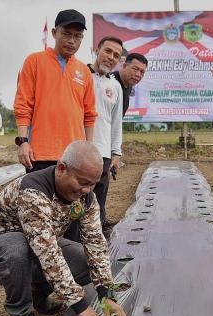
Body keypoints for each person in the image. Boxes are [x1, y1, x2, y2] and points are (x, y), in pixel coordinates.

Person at [0, 141, 127, 316]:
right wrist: (80, 306)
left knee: (83, 261)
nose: (87, 190)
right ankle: (20, 315)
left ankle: (38, 295)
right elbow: (47, 253)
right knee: (18, 247)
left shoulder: (86, 198)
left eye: (93, 184)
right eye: (82, 182)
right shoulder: (33, 191)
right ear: (62, 168)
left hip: (35, 246)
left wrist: (107, 295)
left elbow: (96, 244)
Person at [14, 9, 96, 172]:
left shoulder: (84, 70)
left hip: (74, 156)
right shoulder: (34, 61)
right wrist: (23, 142)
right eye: (66, 34)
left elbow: (89, 114)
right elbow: (23, 105)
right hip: (40, 154)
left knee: (73, 198)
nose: (72, 41)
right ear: (54, 32)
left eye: (77, 36)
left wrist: (88, 148)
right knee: (38, 197)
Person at [88, 36, 124, 233]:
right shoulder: (81, 75)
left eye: (116, 55)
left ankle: (99, 229)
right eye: (107, 51)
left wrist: (115, 153)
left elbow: (116, 122)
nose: (111, 57)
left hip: (102, 152)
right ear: (97, 50)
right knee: (78, 195)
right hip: (81, 148)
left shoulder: (115, 86)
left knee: (100, 193)